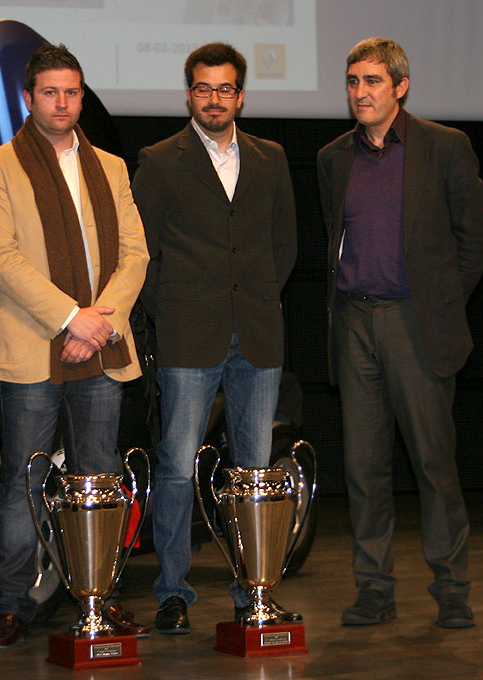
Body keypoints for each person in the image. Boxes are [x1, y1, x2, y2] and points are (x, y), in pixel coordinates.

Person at [0, 43, 150, 648]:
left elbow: (135, 256)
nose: (62, 102)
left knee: (96, 479)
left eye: (71, 91)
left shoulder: (113, 168)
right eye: (50, 92)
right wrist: (71, 319)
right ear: (28, 98)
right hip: (33, 348)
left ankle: (97, 596)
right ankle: (13, 602)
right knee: (27, 480)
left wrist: (99, 322)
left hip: (102, 345)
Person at [317, 37, 483, 629]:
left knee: (433, 465)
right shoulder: (332, 157)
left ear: (400, 87)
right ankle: (374, 589)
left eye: (371, 81)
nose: (359, 92)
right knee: (364, 469)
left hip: (417, 323)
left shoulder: (445, 147)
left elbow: (475, 241)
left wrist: (439, 304)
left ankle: (452, 589)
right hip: (354, 323)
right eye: (352, 81)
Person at [131, 42, 298, 634]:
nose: (214, 99)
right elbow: (142, 252)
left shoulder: (271, 157)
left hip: (256, 333)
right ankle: (173, 590)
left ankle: (251, 590)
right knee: (176, 467)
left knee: (252, 469)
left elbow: (286, 245)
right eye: (203, 88)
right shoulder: (159, 159)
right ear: (189, 94)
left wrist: (252, 298)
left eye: (225, 88)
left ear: (241, 95)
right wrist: (169, 312)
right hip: (187, 334)